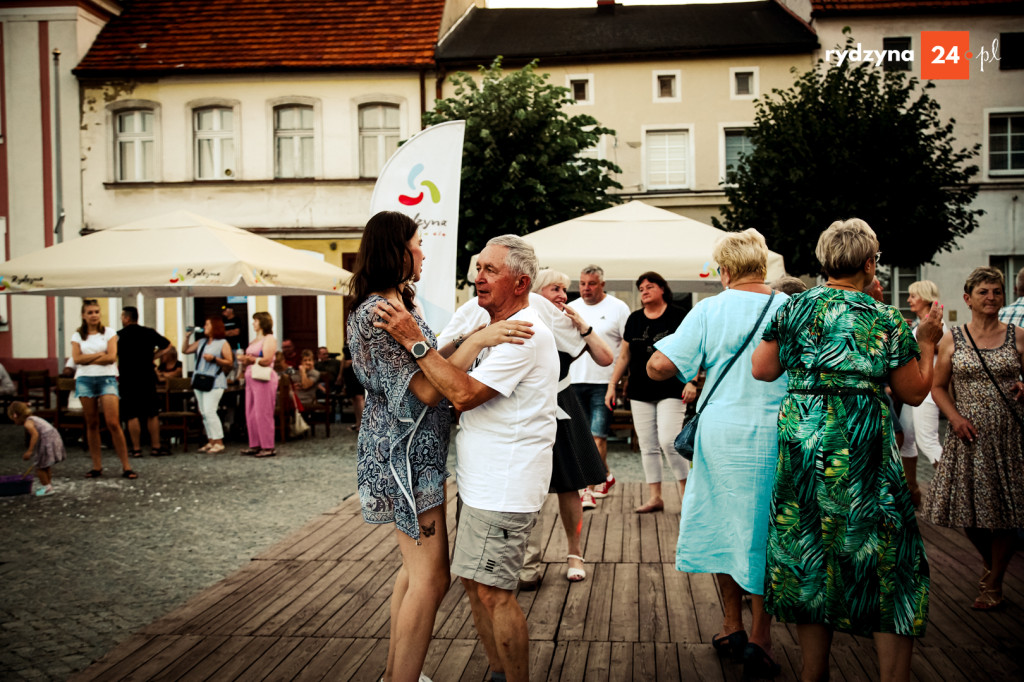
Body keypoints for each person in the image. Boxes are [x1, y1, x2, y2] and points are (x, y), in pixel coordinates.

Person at [751, 219, 943, 682]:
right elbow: (915, 393)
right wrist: (928, 344)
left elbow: (762, 369)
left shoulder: (793, 307)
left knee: (808, 553)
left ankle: (811, 673)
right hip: (862, 452)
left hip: (802, 447)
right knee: (887, 560)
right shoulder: (884, 318)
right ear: (870, 263)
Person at [348, 213, 534, 682]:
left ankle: (397, 675)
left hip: (410, 452)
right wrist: (479, 338)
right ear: (397, 250)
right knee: (431, 579)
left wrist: (452, 343)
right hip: (406, 456)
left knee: (415, 574)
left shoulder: (395, 302)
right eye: (417, 244)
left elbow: (428, 364)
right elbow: (428, 391)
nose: (424, 253)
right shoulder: (381, 313)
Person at [647, 229, 788, 677]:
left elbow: (659, 366)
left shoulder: (709, 309)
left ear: (724, 270)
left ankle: (732, 625)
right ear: (763, 266)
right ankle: (762, 637)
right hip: (779, 433)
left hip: (723, 435)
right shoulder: (790, 307)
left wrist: (696, 359)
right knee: (767, 529)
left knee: (725, 524)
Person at [438, 269, 613, 588]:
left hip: (561, 406)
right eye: (555, 288)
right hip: (525, 414)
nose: (562, 295)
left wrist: (583, 326)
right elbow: (454, 368)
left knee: (569, 485)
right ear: (532, 290)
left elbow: (605, 357)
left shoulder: (562, 323)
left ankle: (574, 552)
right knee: (534, 489)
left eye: (565, 288)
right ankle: (527, 562)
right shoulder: (518, 317)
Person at [926, 266, 1024, 611]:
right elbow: (937, 387)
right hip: (968, 436)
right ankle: (991, 565)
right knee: (971, 514)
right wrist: (954, 418)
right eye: (983, 292)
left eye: (996, 291)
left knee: (1008, 513)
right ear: (967, 299)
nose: (991, 297)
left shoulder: (1018, 335)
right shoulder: (953, 337)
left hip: (1009, 435)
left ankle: (994, 582)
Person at [605, 271, 688, 513]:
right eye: (641, 288)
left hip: (672, 387)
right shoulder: (634, 319)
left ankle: (687, 496)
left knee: (669, 441)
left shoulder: (677, 316)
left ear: (663, 289)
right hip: (640, 390)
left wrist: (691, 381)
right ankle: (655, 497)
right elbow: (624, 356)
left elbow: (689, 351)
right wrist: (612, 385)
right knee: (648, 445)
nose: (644, 291)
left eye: (650, 286)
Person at [568, 264, 629, 506]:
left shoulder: (618, 308)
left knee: (598, 436)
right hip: (573, 381)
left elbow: (626, 347)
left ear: (602, 285)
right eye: (582, 283)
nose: (586, 288)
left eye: (591, 283)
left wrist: (619, 380)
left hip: (604, 382)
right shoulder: (571, 308)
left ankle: (588, 489)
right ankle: (605, 475)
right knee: (580, 438)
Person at [71, 299, 137, 479]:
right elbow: (76, 359)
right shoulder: (78, 335)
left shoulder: (109, 332)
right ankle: (97, 466)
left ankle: (126, 466)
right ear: (84, 315)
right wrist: (99, 354)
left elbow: (111, 357)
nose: (94, 315)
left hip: (106, 378)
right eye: (90, 312)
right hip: (85, 379)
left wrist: (90, 358)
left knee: (113, 422)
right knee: (91, 423)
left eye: (96, 312)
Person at [899, 280, 946, 504]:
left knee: (927, 442)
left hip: (928, 390)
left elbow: (943, 348)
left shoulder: (936, 323)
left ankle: (957, 488)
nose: (909, 300)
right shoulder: (921, 322)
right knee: (908, 439)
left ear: (926, 298)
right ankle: (912, 490)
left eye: (913, 296)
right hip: (915, 387)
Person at [117, 306, 172, 457]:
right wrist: (153, 357)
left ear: (127, 318)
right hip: (147, 375)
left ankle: (136, 449)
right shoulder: (149, 332)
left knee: (131, 414)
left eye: (122, 316)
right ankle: (156, 447)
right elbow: (168, 346)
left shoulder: (119, 335)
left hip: (128, 377)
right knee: (152, 413)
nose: (122, 319)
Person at [183, 316, 234, 454]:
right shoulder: (202, 342)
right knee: (204, 412)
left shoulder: (222, 343)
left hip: (215, 380)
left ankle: (219, 441)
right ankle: (210, 440)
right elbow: (185, 350)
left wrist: (214, 359)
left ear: (214, 327)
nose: (205, 327)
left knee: (210, 411)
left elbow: (229, 361)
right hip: (200, 379)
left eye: (207, 325)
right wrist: (187, 337)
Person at [237, 312, 278, 457]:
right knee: (251, 412)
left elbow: (267, 359)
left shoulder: (269, 339)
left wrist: (250, 360)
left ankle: (268, 446)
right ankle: (255, 444)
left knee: (263, 412)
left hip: (263, 378)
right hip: (251, 377)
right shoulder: (255, 340)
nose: (253, 323)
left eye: (255, 321)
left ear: (262, 322)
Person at [9, 401, 66, 497]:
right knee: (45, 465)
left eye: (14, 420)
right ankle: (48, 485)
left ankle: (47, 488)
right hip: (53, 437)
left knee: (39, 467)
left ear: (16, 416)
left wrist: (30, 450)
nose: (15, 423)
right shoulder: (34, 418)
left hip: (46, 440)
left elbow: (35, 435)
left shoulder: (28, 423)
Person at [342, 344, 365, 432]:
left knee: (359, 398)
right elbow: (344, 358)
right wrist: (341, 375)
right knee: (354, 399)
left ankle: (364, 425)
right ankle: (357, 423)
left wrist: (353, 361)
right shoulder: (348, 337)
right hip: (348, 373)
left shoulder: (361, 337)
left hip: (358, 371)